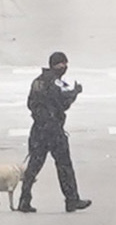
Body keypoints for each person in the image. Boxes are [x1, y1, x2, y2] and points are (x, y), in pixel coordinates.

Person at [17, 51, 90, 212]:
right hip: (54, 130)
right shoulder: (56, 82)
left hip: (38, 129)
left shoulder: (38, 81)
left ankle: (24, 200)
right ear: (55, 65)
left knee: (33, 166)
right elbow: (63, 102)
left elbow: (30, 103)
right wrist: (75, 92)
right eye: (62, 63)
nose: (64, 66)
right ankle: (72, 200)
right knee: (64, 165)